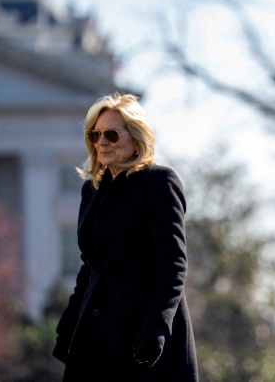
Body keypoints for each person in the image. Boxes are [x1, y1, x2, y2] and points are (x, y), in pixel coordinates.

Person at [52, 93, 198, 382]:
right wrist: (68, 327)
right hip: (97, 337)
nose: (101, 142)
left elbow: (173, 264)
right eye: (95, 134)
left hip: (141, 337)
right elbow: (91, 267)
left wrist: (157, 325)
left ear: (135, 138)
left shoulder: (159, 183)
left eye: (111, 134)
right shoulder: (91, 191)